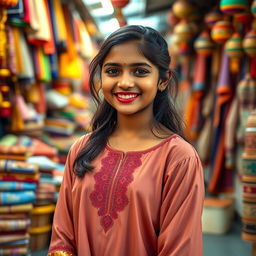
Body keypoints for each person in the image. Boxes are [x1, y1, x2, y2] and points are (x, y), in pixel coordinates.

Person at [48, 25, 204, 256]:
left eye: (140, 71)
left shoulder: (179, 158)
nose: (124, 82)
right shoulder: (82, 148)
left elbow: (180, 248)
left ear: (163, 80)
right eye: (113, 71)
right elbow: (62, 238)